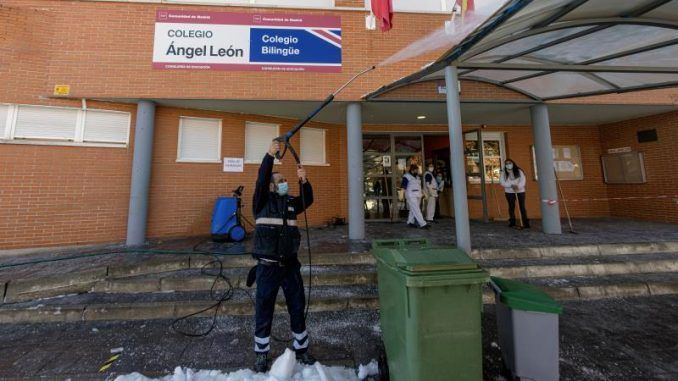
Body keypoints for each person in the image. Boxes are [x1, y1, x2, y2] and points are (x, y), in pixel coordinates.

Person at [251, 140, 315, 372]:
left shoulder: (290, 203)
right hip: (267, 267)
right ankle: (261, 354)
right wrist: (269, 155)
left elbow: (308, 200)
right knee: (264, 309)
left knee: (297, 307)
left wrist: (304, 181)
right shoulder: (261, 202)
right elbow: (261, 178)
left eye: (286, 181)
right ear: (270, 186)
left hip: (290, 266)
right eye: (280, 181)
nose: (284, 183)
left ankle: (302, 349)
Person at [499, 158, 530, 229]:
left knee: (522, 207)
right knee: (511, 207)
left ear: (513, 163)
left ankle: (525, 222)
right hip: (509, 192)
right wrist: (510, 185)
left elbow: (523, 180)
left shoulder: (519, 171)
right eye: (506, 164)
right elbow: (502, 182)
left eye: (509, 163)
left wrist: (518, 186)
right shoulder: (503, 172)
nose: (508, 165)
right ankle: (512, 222)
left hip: (520, 191)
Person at [401, 164, 429, 229]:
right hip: (411, 195)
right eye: (416, 170)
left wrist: (424, 193)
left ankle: (410, 222)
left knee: (412, 209)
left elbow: (419, 186)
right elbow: (403, 186)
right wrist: (401, 194)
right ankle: (423, 224)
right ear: (412, 170)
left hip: (418, 195)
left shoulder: (418, 177)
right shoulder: (407, 176)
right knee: (416, 209)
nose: (417, 171)